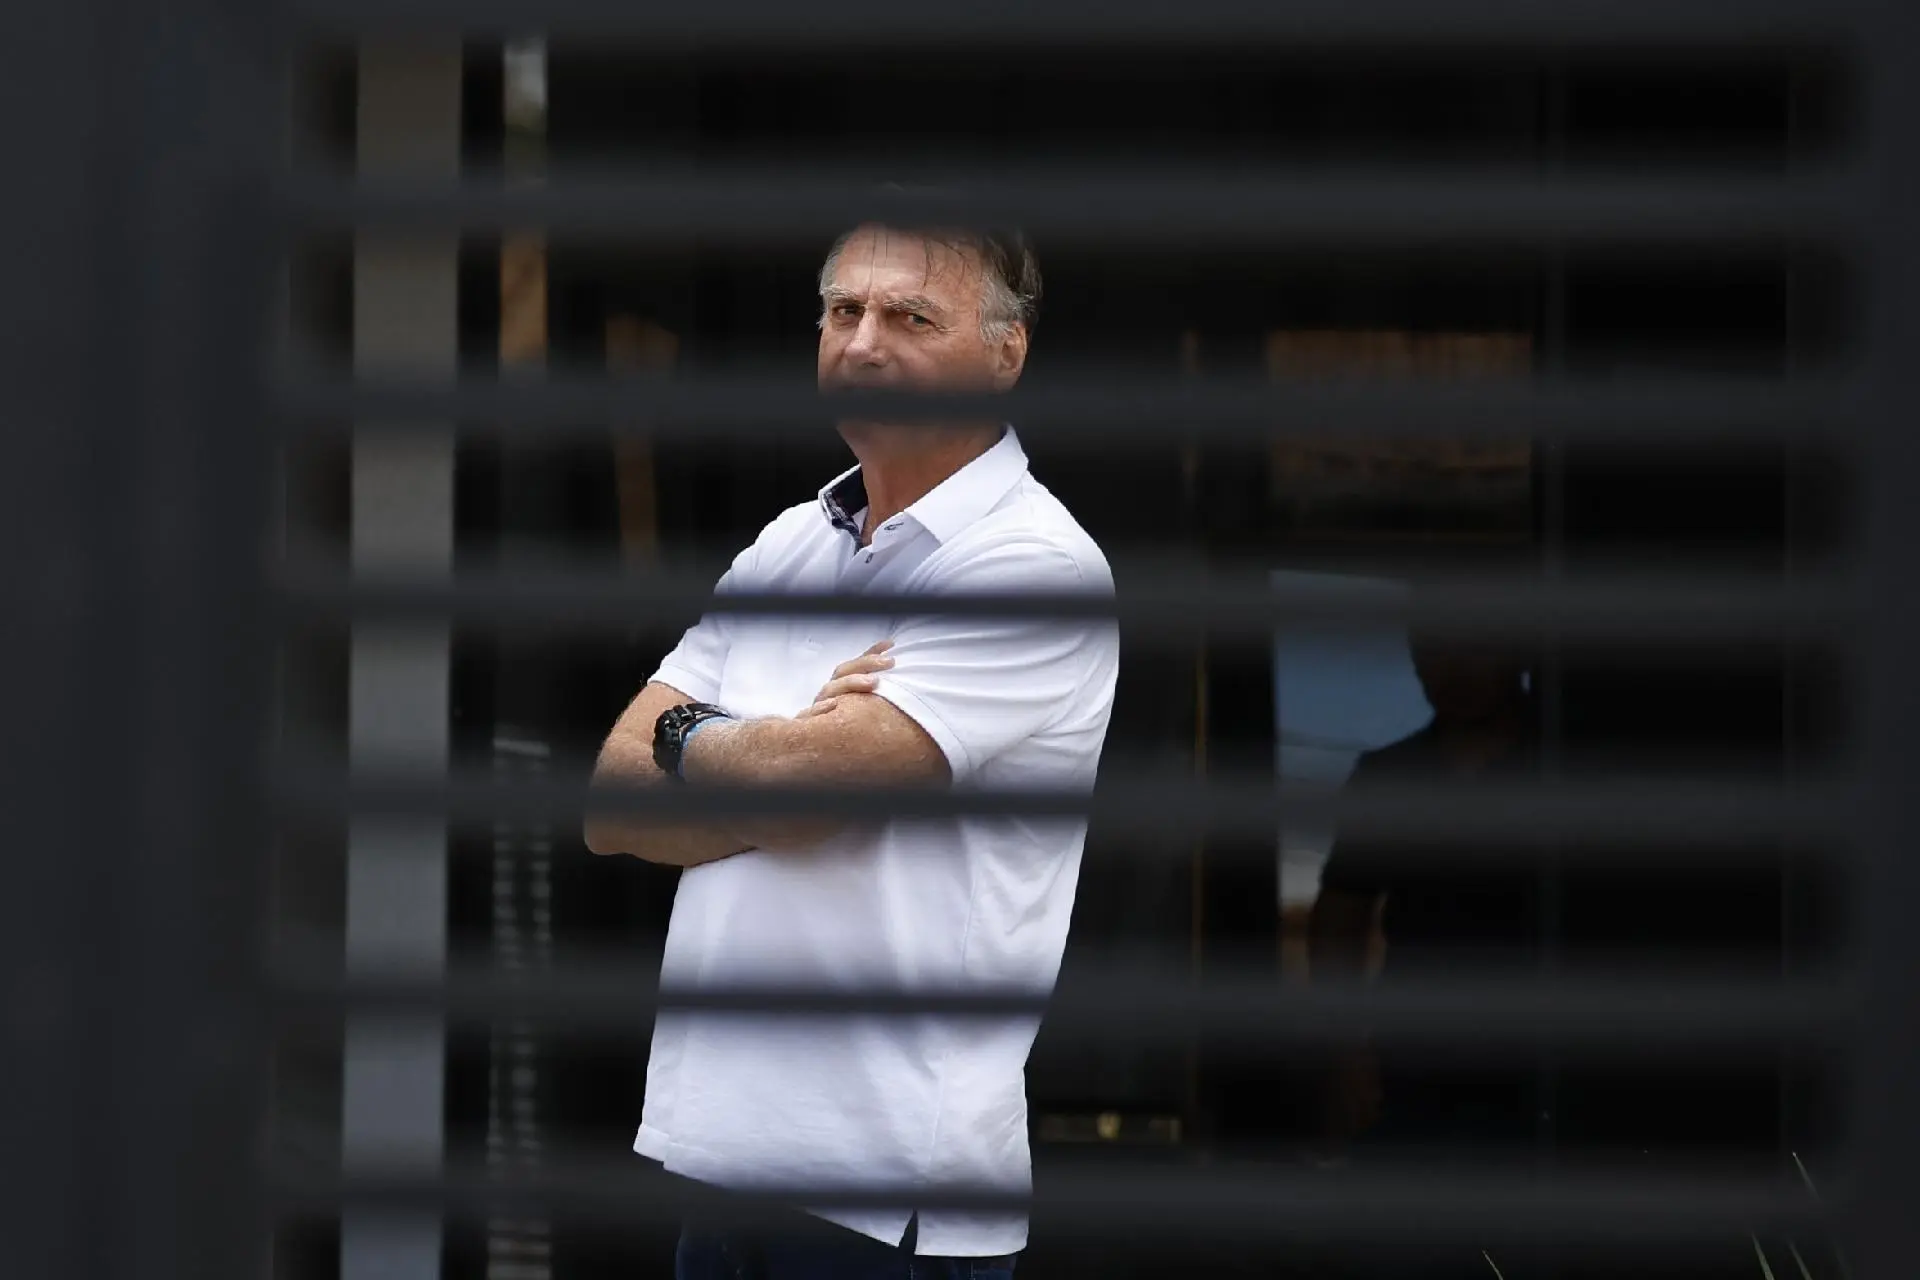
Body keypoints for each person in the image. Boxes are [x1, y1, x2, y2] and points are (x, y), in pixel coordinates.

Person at [584, 214, 1119, 1280]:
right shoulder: (789, 542)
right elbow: (610, 804)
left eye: (911, 317)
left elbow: (803, 791)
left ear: (1006, 353)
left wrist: (692, 736)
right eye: (844, 310)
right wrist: (768, 763)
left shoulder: (1033, 566)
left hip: (885, 1194)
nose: (865, 343)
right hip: (718, 1158)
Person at [1308, 633, 1542, 1279]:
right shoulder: (1393, 776)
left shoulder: (1565, 767)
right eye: (1431, 652)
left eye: (1470, 647)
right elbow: (1340, 916)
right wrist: (1344, 1052)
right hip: (1416, 1074)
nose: (1451, 670)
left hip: (1539, 1075)